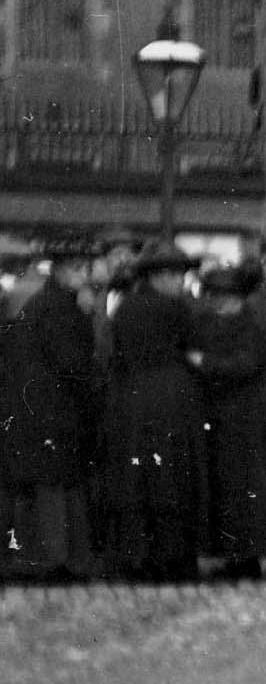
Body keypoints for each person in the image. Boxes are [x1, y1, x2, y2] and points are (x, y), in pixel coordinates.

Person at [101, 242, 207, 582]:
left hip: (131, 402)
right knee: (172, 478)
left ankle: (136, 556)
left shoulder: (126, 307)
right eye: (176, 275)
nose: (181, 281)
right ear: (159, 276)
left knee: (137, 481)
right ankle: (172, 558)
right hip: (171, 401)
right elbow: (194, 349)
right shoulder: (178, 308)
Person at [1, 243, 101, 581]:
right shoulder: (59, 308)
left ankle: (58, 558)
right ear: (60, 269)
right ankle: (58, 560)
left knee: (53, 486)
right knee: (56, 487)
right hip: (54, 412)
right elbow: (73, 363)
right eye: (77, 268)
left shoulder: (46, 302)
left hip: (41, 411)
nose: (83, 275)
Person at [191, 263, 266, 580]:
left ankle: (247, 558)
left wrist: (205, 363)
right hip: (221, 418)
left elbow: (247, 364)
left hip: (246, 420)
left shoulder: (251, 326)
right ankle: (230, 554)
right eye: (217, 298)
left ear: (239, 299)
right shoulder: (210, 322)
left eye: (228, 298)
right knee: (226, 489)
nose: (222, 304)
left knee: (247, 489)